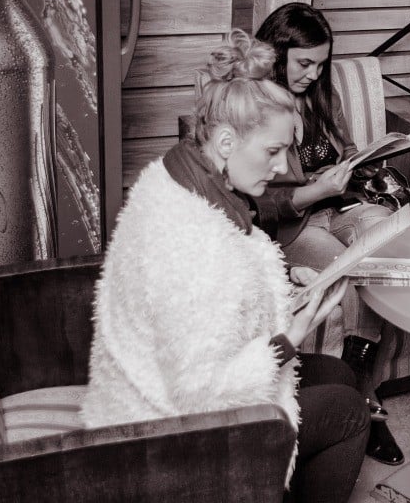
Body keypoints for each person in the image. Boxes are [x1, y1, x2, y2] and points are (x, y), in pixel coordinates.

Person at [80, 30, 369, 503]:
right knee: (348, 410)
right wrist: (291, 337)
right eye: (273, 151)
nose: (282, 167)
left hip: (156, 387)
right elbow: (202, 394)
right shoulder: (196, 242)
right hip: (166, 433)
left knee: (338, 376)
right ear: (228, 140)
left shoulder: (182, 175)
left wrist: (286, 287)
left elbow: (215, 305)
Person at [254, 2, 403, 466]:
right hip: (296, 225)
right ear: (277, 54)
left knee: (384, 242)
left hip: (343, 205)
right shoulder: (256, 108)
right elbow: (260, 202)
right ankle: (364, 399)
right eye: (304, 63)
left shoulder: (322, 95)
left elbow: (346, 147)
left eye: (321, 64)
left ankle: (357, 383)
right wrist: (315, 189)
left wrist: (358, 164)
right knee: (353, 271)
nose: (313, 74)